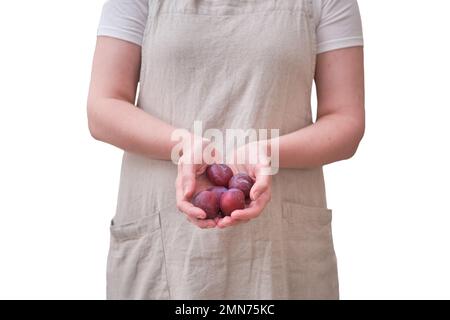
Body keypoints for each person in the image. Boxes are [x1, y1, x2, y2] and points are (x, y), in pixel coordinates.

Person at [87, 0, 365, 299]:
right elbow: (103, 108)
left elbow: (345, 120)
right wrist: (185, 147)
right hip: (166, 234)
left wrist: (267, 153)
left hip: (279, 240)